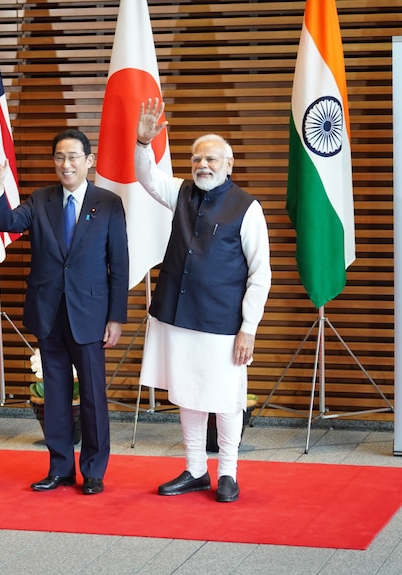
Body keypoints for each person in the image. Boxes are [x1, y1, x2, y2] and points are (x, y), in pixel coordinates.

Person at [135, 99, 271, 502]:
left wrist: (249, 328)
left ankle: (227, 471)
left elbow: (260, 273)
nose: (203, 165)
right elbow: (146, 178)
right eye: (197, 158)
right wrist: (144, 141)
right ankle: (195, 468)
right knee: (187, 392)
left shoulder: (247, 207)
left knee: (226, 397)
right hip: (177, 316)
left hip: (223, 322)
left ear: (229, 164)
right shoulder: (180, 191)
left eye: (212, 159)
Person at [0, 129, 129, 495]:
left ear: (88, 161)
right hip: (49, 312)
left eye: (74, 157)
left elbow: (120, 266)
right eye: (60, 157)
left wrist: (116, 317)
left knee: (93, 397)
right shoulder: (41, 200)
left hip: (91, 315)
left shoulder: (108, 203)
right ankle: (60, 468)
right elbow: (8, 224)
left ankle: (93, 470)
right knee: (56, 395)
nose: (67, 164)